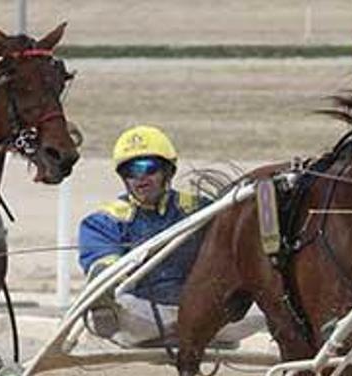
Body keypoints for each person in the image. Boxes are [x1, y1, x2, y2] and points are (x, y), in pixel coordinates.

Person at [78, 125, 263, 347]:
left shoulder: (201, 210)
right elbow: (101, 261)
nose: (140, 178)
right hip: (143, 316)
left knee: (267, 303)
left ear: (169, 170)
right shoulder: (104, 221)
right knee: (111, 298)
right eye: (131, 171)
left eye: (148, 167)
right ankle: (111, 309)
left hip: (205, 312)